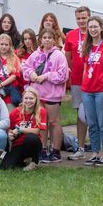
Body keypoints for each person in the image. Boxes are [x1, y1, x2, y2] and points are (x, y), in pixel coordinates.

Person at [22, 29, 69, 162]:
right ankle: (42, 149)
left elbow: (63, 74)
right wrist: (31, 73)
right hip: (38, 94)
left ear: (54, 40)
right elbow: (26, 67)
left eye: (49, 37)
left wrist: (46, 76)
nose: (47, 39)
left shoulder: (59, 55)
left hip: (52, 95)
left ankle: (56, 151)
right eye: (44, 37)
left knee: (53, 122)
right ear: (40, 39)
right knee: (41, 122)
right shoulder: (35, 54)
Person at [79, 16, 103, 167]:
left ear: (101, 28)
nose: (93, 30)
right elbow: (85, 68)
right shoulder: (87, 46)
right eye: (90, 27)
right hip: (87, 90)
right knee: (92, 123)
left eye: (95, 27)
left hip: (102, 90)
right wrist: (83, 87)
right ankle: (95, 153)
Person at [62, 6, 91, 159]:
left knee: (94, 114)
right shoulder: (71, 35)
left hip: (93, 82)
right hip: (77, 81)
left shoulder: (95, 33)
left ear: (89, 17)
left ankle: (98, 146)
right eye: (78, 18)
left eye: (84, 18)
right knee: (80, 115)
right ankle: (80, 146)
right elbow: (67, 59)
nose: (81, 21)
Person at [7, 87, 45, 170]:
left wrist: (20, 129)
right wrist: (10, 134)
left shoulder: (41, 111)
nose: (28, 101)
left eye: (31, 98)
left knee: (31, 138)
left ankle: (34, 161)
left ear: (36, 99)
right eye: (26, 98)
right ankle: (24, 160)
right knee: (6, 166)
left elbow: (37, 130)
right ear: (22, 99)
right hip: (18, 144)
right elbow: (9, 128)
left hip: (33, 143)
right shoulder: (15, 111)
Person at [0, 34, 23, 105]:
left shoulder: (14, 59)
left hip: (10, 92)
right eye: (2, 44)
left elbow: (14, 76)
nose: (4, 47)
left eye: (6, 45)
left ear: (10, 46)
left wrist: (0, 85)